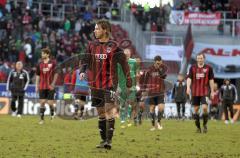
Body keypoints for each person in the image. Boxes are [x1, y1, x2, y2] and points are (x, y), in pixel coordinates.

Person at [80, 19, 132, 149]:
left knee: (109, 111)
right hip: (95, 84)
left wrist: (128, 79)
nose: (95, 31)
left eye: (97, 28)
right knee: (101, 112)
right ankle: (103, 140)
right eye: (95, 28)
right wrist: (82, 71)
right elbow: (85, 59)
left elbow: (124, 64)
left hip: (110, 83)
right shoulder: (92, 45)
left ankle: (109, 141)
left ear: (105, 30)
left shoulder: (114, 47)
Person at [187, 53, 214, 133]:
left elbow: (211, 80)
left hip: (205, 91)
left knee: (205, 108)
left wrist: (212, 91)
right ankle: (198, 127)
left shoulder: (209, 68)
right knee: (196, 110)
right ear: (196, 59)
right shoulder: (192, 68)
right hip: (195, 92)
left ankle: (205, 125)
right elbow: (189, 78)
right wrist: (188, 87)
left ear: (204, 59)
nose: (200, 60)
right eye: (198, 58)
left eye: (201, 58)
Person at [36, 48, 59, 124]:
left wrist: (53, 83)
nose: (42, 55)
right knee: (42, 102)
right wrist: (36, 85)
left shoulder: (53, 63)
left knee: (50, 103)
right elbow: (37, 75)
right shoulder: (39, 64)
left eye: (43, 53)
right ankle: (42, 119)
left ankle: (52, 112)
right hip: (42, 86)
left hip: (50, 86)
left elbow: (56, 73)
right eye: (41, 53)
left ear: (47, 54)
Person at [144, 55, 167, 131]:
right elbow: (146, 79)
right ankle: (153, 125)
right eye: (157, 63)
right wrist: (144, 90)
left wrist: (159, 69)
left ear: (161, 61)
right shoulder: (150, 69)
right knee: (152, 108)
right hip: (151, 92)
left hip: (160, 91)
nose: (159, 64)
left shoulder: (164, 67)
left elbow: (163, 76)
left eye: (160, 63)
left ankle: (159, 122)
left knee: (161, 108)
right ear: (155, 62)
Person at [118, 48, 139, 128]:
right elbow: (118, 75)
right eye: (125, 55)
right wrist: (118, 86)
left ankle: (128, 118)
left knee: (130, 102)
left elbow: (136, 74)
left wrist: (137, 84)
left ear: (130, 54)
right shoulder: (119, 63)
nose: (126, 56)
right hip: (122, 86)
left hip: (132, 86)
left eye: (128, 54)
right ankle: (122, 119)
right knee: (122, 104)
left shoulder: (134, 62)